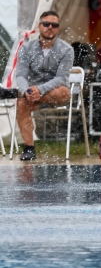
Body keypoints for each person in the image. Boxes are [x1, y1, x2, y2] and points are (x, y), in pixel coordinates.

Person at [13, 11, 73, 161]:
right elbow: (20, 75)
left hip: (55, 93)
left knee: (64, 92)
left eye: (54, 25)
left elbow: (61, 78)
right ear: (39, 26)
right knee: (21, 103)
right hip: (32, 92)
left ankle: (21, 94)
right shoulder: (26, 48)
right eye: (46, 24)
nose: (50, 27)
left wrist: (38, 90)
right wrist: (27, 90)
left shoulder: (67, 49)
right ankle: (29, 148)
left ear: (58, 28)